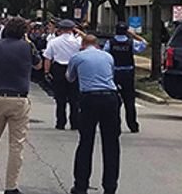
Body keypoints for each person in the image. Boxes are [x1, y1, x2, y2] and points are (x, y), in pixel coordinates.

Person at [0, 17, 39, 194]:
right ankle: (11, 186)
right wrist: (28, 42)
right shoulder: (27, 47)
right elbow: (38, 64)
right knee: (16, 145)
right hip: (18, 97)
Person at [67, 35, 121, 194]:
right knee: (111, 144)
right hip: (110, 98)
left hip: (89, 98)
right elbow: (111, 74)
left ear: (83, 44)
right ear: (97, 45)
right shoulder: (108, 56)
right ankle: (110, 187)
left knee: (85, 142)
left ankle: (81, 185)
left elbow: (70, 78)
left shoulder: (77, 57)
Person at [102, 23, 147, 133]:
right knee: (129, 101)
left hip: (114, 73)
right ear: (126, 31)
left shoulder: (110, 43)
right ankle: (133, 125)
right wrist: (134, 35)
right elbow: (144, 44)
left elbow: (104, 54)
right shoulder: (131, 43)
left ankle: (115, 125)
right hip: (128, 73)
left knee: (114, 100)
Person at [43, 19, 82, 130]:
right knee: (74, 98)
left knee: (60, 98)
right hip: (73, 68)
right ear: (72, 29)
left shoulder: (54, 41)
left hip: (59, 69)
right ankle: (75, 123)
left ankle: (61, 122)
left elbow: (48, 58)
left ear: (60, 29)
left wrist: (47, 72)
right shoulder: (77, 41)